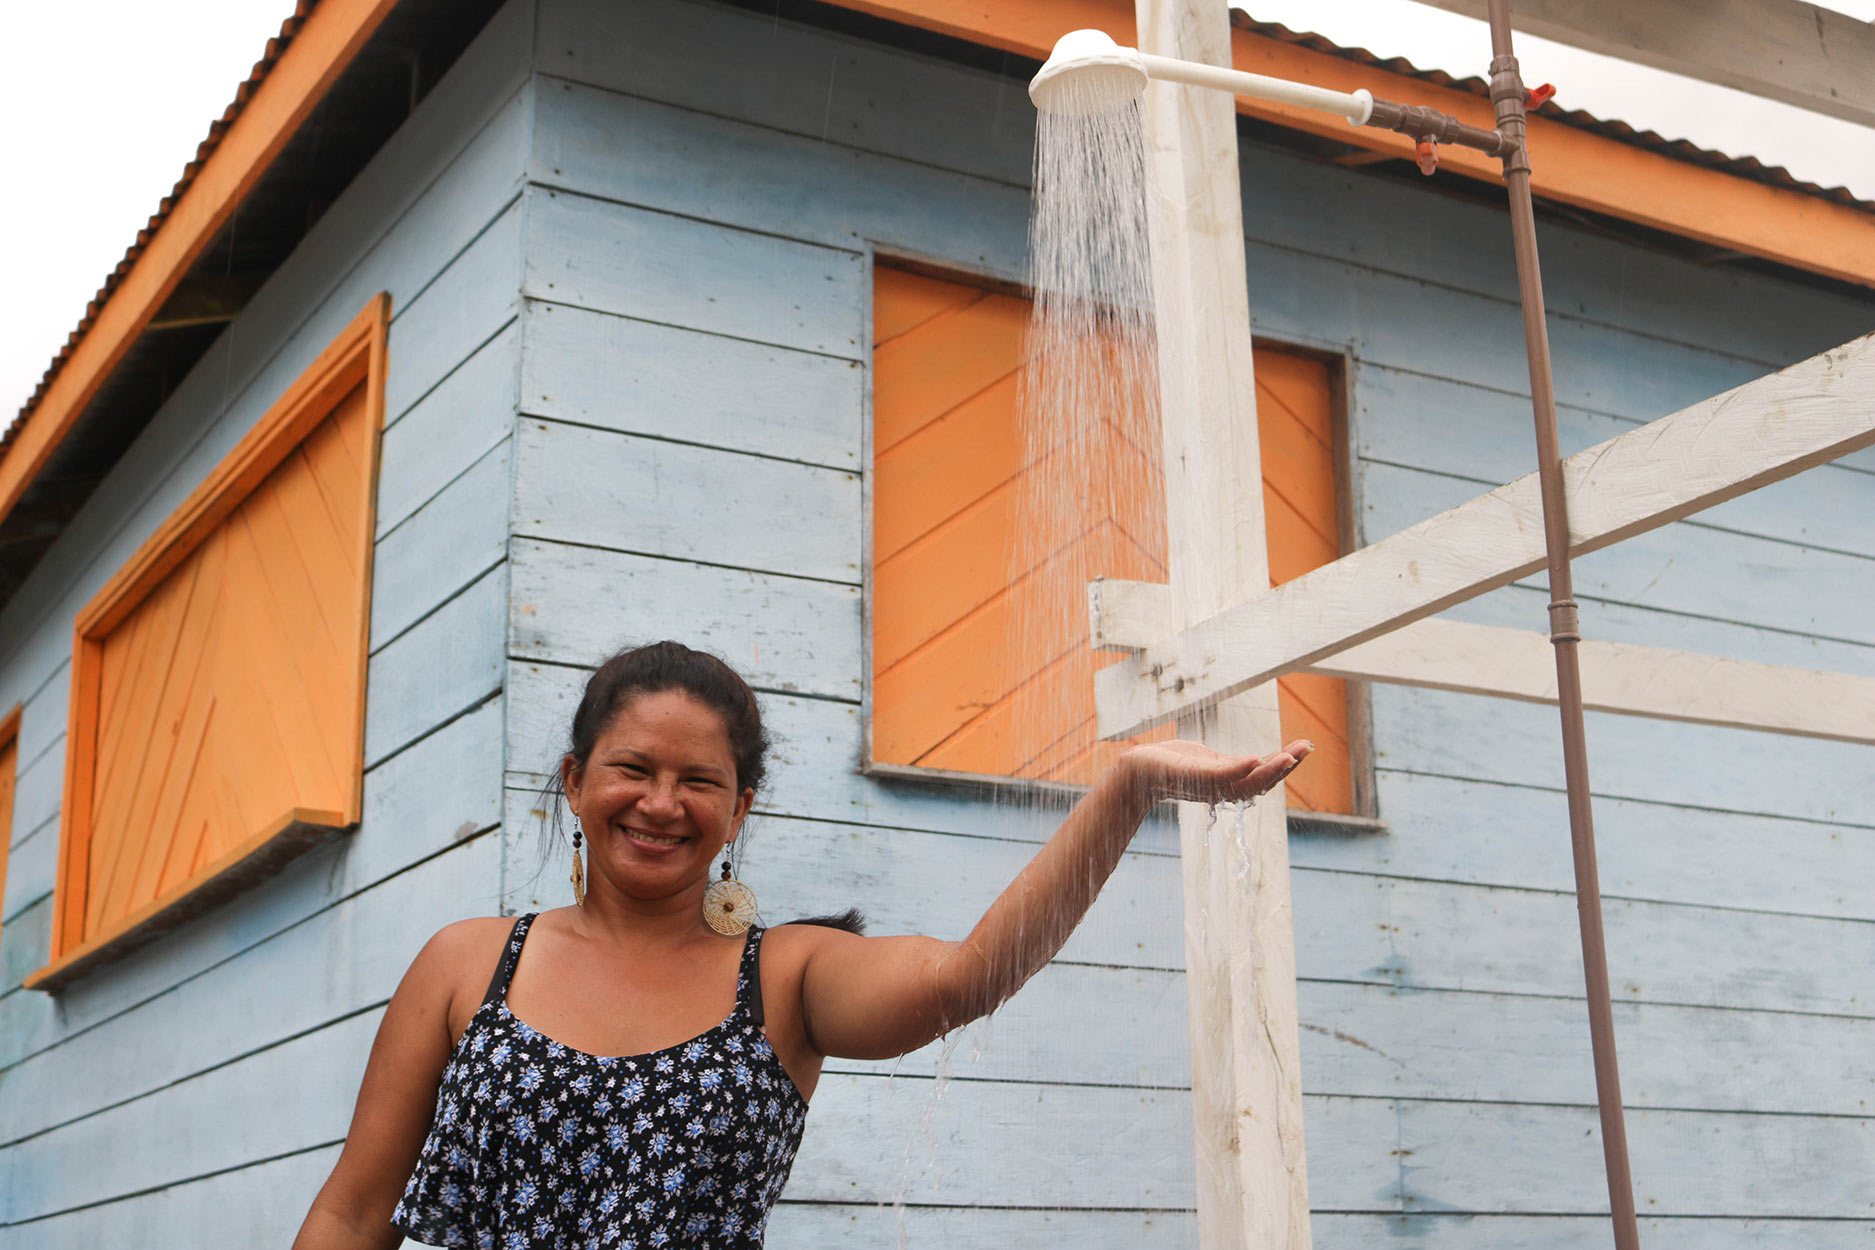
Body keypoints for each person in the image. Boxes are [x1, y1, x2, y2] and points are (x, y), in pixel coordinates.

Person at [293, 641, 1310, 1249]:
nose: (660, 801)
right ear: (574, 780)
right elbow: (350, 1214)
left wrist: (1125, 790)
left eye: (698, 780)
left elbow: (969, 975)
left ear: (739, 808)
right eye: (631, 767)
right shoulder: (467, 962)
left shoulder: (785, 978)